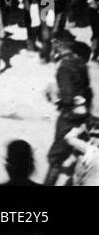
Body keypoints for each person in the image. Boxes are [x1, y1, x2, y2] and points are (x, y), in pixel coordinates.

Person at [44, 31, 93, 185]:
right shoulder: (79, 61)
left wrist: (53, 97)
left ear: (59, 44)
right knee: (79, 152)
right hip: (84, 116)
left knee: (55, 159)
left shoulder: (64, 67)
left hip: (69, 119)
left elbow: (67, 97)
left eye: (54, 44)